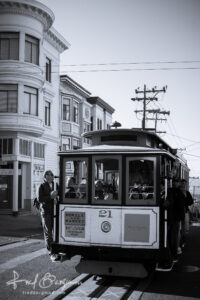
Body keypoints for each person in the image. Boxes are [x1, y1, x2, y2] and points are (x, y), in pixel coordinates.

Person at [39, 170, 60, 262]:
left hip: (55, 212)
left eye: (51, 174)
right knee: (48, 233)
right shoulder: (42, 186)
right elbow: (40, 199)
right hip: (46, 212)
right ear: (45, 177)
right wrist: (50, 197)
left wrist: (57, 198)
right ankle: (51, 252)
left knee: (56, 232)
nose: (49, 176)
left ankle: (56, 250)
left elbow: (59, 195)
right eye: (47, 175)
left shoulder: (56, 185)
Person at [180, 179, 194, 247]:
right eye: (182, 183)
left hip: (185, 211)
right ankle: (181, 241)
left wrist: (185, 203)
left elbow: (191, 201)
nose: (183, 185)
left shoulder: (187, 193)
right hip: (179, 212)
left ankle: (183, 241)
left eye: (184, 184)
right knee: (180, 227)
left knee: (185, 227)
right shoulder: (178, 192)